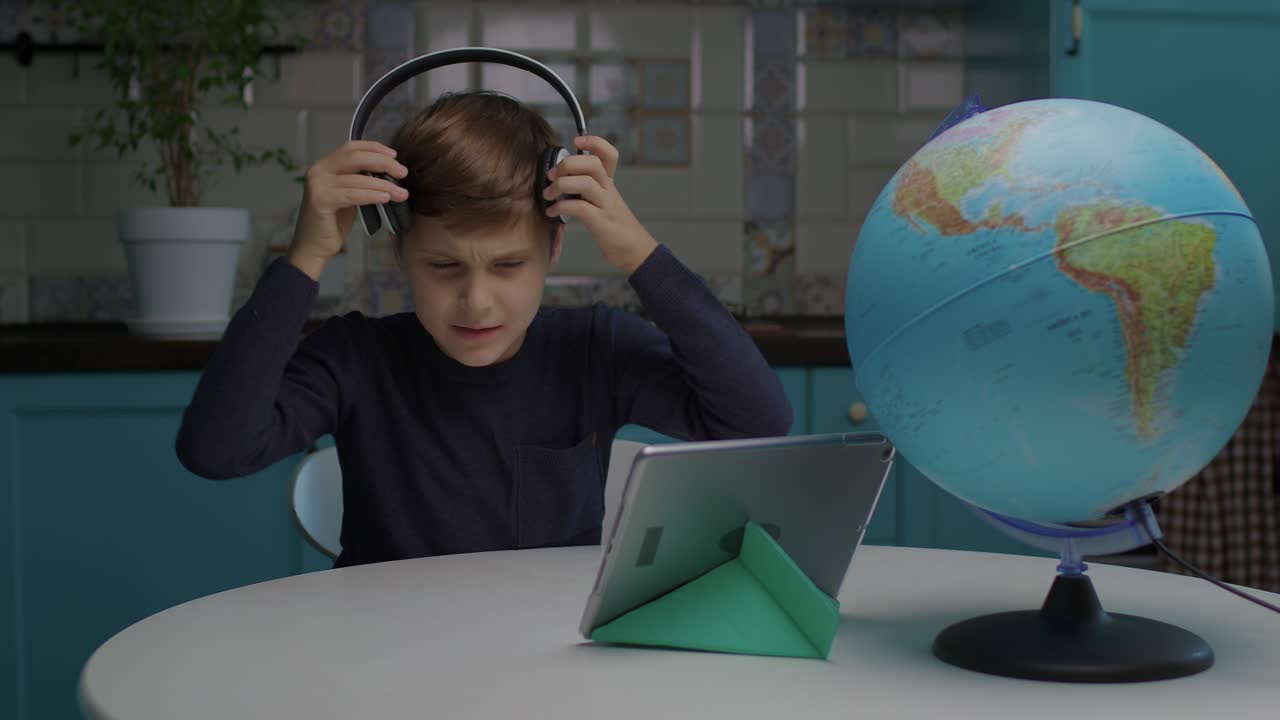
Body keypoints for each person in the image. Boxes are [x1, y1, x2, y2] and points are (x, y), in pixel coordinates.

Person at [176, 91, 792, 567]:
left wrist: (639, 254)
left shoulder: (594, 350)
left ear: (554, 247)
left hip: (546, 665)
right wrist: (304, 257)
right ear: (399, 253)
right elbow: (216, 450)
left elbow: (758, 420)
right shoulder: (356, 358)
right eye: (443, 267)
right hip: (386, 664)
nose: (476, 301)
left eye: (508, 265)